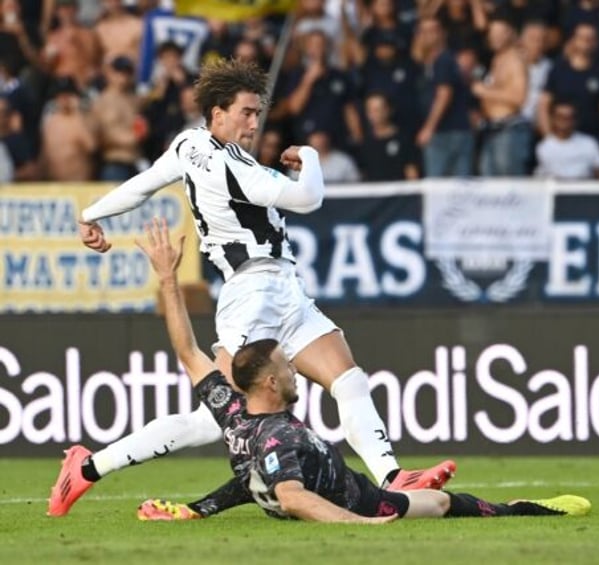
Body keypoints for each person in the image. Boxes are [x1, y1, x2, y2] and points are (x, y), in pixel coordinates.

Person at [47, 58, 455, 518]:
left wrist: (91, 214)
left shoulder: (188, 146)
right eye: (246, 112)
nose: (254, 122)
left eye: (258, 113)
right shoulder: (230, 167)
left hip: (284, 287)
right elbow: (309, 197)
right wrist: (312, 158)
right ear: (217, 113)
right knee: (211, 418)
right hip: (252, 293)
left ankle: (392, 478)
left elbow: (143, 185)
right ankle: (88, 468)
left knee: (348, 379)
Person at [131, 217, 591, 522]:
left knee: (259, 475)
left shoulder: (232, 410)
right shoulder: (280, 437)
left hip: (299, 481)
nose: (296, 368)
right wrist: (363, 522)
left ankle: (198, 509)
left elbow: (188, 350)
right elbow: (292, 498)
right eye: (287, 366)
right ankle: (529, 511)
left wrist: (168, 279)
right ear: (270, 382)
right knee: (444, 503)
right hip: (359, 497)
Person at [413, 15, 474, 177]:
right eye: (423, 31)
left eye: (433, 30)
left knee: (439, 190)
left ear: (442, 33)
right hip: (455, 131)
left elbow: (444, 94)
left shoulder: (444, 60)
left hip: (446, 132)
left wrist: (429, 128)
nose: (428, 35)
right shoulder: (431, 62)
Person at [472, 15, 530, 176]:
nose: (495, 37)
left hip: (509, 130)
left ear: (510, 33)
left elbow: (519, 97)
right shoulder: (497, 59)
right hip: (491, 128)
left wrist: (485, 91)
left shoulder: (515, 60)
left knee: (508, 186)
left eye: (500, 33)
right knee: (489, 186)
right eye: (492, 33)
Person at [90, 56, 145, 182]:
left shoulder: (132, 99)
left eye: (127, 73)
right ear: (110, 73)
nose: (123, 77)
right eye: (119, 72)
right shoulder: (103, 101)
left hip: (135, 161)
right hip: (114, 162)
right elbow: (104, 134)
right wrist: (132, 139)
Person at [534, 101, 599, 179]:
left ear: (575, 120)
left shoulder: (589, 143)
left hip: (584, 189)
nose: (564, 122)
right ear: (553, 119)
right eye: (560, 117)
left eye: (568, 118)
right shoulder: (544, 147)